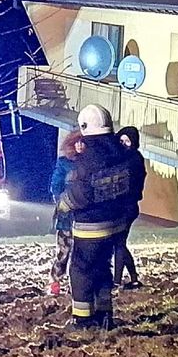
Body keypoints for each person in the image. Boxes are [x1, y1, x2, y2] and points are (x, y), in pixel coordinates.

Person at [57, 104, 132, 329]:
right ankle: (105, 314)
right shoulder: (120, 153)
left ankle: (82, 320)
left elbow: (81, 193)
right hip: (116, 223)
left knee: (81, 269)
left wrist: (63, 204)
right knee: (102, 267)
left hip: (91, 225)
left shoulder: (89, 157)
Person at [48, 128, 85, 296]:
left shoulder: (90, 162)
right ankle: (55, 280)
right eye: (76, 142)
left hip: (84, 216)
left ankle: (76, 284)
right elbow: (55, 185)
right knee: (64, 252)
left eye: (82, 142)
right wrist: (62, 201)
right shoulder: (64, 163)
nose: (79, 145)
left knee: (81, 254)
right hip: (66, 215)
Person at [112, 126, 146, 290]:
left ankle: (117, 281)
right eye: (121, 141)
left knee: (119, 242)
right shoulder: (118, 157)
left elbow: (135, 184)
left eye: (127, 141)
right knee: (119, 243)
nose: (124, 144)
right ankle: (133, 277)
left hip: (128, 207)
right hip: (119, 206)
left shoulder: (135, 159)